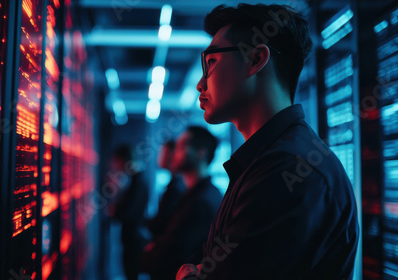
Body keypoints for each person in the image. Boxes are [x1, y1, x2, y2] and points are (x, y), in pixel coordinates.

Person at [177, 4, 359, 280]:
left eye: (210, 63)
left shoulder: (286, 167)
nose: (200, 84)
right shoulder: (268, 159)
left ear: (256, 59)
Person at [141, 126, 223, 280]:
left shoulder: (202, 200)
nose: (175, 153)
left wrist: (150, 254)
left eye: (182, 146)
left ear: (201, 152)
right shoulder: (194, 193)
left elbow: (176, 254)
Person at [109, 145, 149, 280]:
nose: (117, 167)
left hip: (133, 240)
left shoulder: (137, 183)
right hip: (133, 238)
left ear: (124, 160)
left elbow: (129, 212)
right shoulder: (137, 181)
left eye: (117, 163)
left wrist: (116, 210)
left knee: (131, 274)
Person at [146, 140, 186, 239]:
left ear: (172, 155)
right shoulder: (174, 184)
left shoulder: (176, 188)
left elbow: (163, 221)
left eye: (162, 152)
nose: (159, 156)